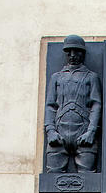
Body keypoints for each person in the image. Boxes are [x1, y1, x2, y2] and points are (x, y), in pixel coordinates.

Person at [44, 35, 102, 172]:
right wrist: (50, 131)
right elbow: (50, 105)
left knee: (88, 181)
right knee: (52, 179)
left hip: (83, 133)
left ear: (83, 54)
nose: (72, 55)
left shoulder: (91, 77)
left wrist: (91, 132)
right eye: (69, 52)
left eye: (77, 51)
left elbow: (96, 104)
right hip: (59, 133)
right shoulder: (56, 77)